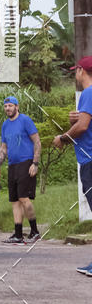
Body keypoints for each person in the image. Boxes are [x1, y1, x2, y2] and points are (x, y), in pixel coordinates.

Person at [52, 56, 92, 275]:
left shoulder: (88, 93)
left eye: (75, 71)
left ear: (81, 71)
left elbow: (84, 127)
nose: (75, 75)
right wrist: (74, 122)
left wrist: (63, 137)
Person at [0, 96, 41, 244]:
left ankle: (35, 231)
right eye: (6, 106)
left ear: (17, 107)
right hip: (12, 164)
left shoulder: (25, 120)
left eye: (10, 106)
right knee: (14, 200)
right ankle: (18, 234)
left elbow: (37, 142)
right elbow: (4, 149)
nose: (8, 108)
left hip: (26, 163)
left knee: (23, 198)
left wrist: (35, 163)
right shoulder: (5, 125)